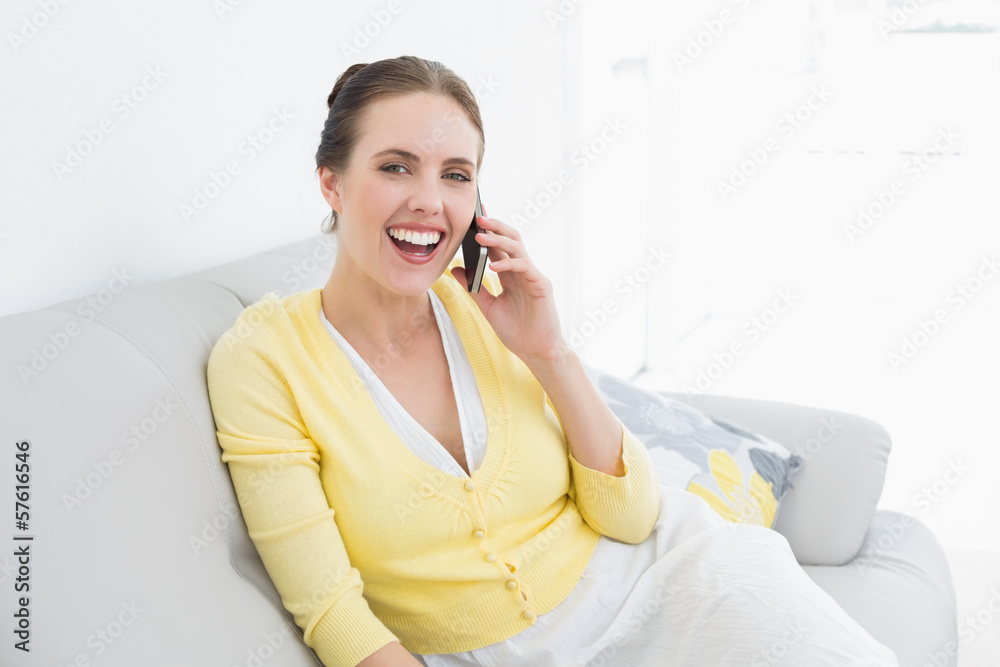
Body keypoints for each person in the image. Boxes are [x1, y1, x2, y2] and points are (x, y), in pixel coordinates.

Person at [206, 55, 900, 667]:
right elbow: (331, 610)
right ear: (331, 183)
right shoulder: (265, 359)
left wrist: (548, 352)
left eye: (456, 175)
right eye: (395, 167)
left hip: (681, 586)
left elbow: (631, 518)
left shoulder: (484, 311)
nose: (430, 201)